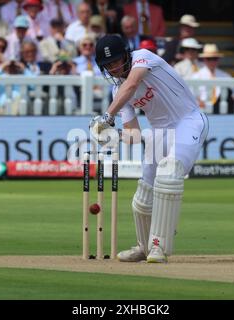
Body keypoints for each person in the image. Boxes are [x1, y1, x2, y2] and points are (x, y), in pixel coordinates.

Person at [90, 35, 209, 263]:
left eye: (116, 61)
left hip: (188, 121)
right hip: (158, 132)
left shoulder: (143, 58)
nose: (114, 67)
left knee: (170, 172)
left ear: (126, 54)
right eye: (108, 65)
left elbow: (132, 84)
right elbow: (134, 135)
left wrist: (107, 116)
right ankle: (143, 246)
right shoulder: (117, 93)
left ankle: (159, 248)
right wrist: (111, 134)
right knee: (144, 195)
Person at [192, 44, 234, 114]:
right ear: (204, 60)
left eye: (214, 59)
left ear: (218, 60)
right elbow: (191, 96)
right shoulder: (196, 76)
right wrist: (199, 102)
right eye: (209, 59)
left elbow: (233, 94)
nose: (212, 62)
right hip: (202, 110)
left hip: (222, 110)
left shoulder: (226, 76)